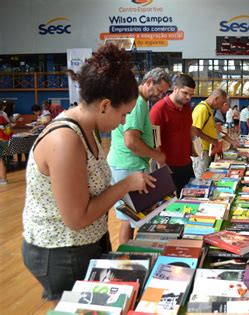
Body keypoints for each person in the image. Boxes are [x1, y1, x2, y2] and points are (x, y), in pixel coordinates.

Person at [22, 43, 156, 301]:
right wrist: (125, 185)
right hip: (62, 251)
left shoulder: (88, 130)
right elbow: (76, 217)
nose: (125, 121)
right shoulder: (65, 140)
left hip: (86, 241)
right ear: (105, 105)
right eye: (124, 114)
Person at [107, 67, 171, 244]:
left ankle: (129, 255)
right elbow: (131, 141)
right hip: (127, 165)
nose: (159, 96)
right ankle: (127, 256)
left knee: (133, 218)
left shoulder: (140, 101)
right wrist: (156, 155)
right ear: (149, 82)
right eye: (159, 91)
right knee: (131, 218)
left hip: (130, 164)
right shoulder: (137, 103)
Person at [149, 74, 196, 196]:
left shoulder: (187, 108)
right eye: (185, 93)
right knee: (169, 205)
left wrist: (192, 147)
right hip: (167, 166)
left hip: (186, 164)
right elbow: (154, 141)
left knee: (191, 200)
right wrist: (161, 166)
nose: (188, 98)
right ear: (175, 89)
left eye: (191, 95)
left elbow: (187, 129)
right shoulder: (159, 109)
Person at [191, 89, 237, 178]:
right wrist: (212, 140)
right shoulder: (202, 109)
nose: (221, 106)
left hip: (207, 150)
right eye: (222, 102)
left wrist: (216, 146)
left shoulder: (208, 109)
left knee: (207, 176)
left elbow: (211, 130)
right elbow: (194, 130)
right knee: (202, 178)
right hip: (201, 151)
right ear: (216, 99)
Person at [0, 103, 12, 184]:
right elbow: (9, 125)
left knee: (1, 160)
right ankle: (3, 178)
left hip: (1, 138)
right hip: (4, 138)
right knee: (2, 159)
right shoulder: (3, 115)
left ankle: (3, 179)